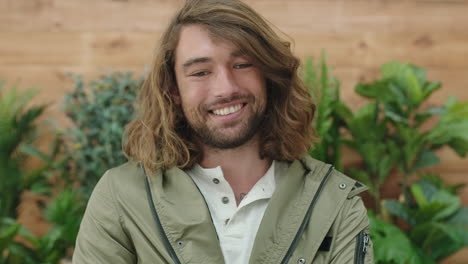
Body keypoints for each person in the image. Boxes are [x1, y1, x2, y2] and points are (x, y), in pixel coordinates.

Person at [73, 0, 373, 263]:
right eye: (201, 72)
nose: (226, 88)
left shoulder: (335, 202)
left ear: (268, 73)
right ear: (173, 90)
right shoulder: (122, 196)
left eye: (242, 64)